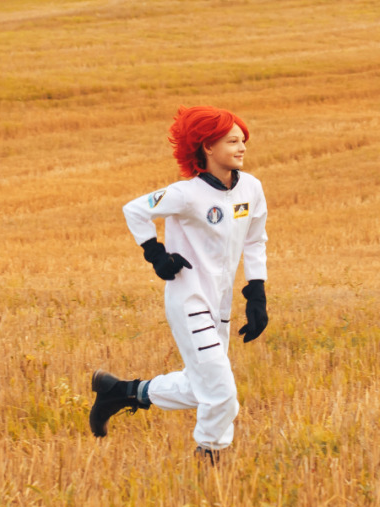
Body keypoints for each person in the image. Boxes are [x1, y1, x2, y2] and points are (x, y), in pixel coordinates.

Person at [89, 106, 269, 462]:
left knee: (200, 385)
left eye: (243, 140)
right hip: (188, 301)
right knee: (220, 391)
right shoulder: (186, 194)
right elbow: (135, 210)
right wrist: (156, 253)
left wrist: (256, 292)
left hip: (220, 303)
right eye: (232, 141)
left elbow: (255, 240)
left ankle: (123, 392)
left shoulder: (251, 188)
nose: (242, 147)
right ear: (207, 147)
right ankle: (209, 457)